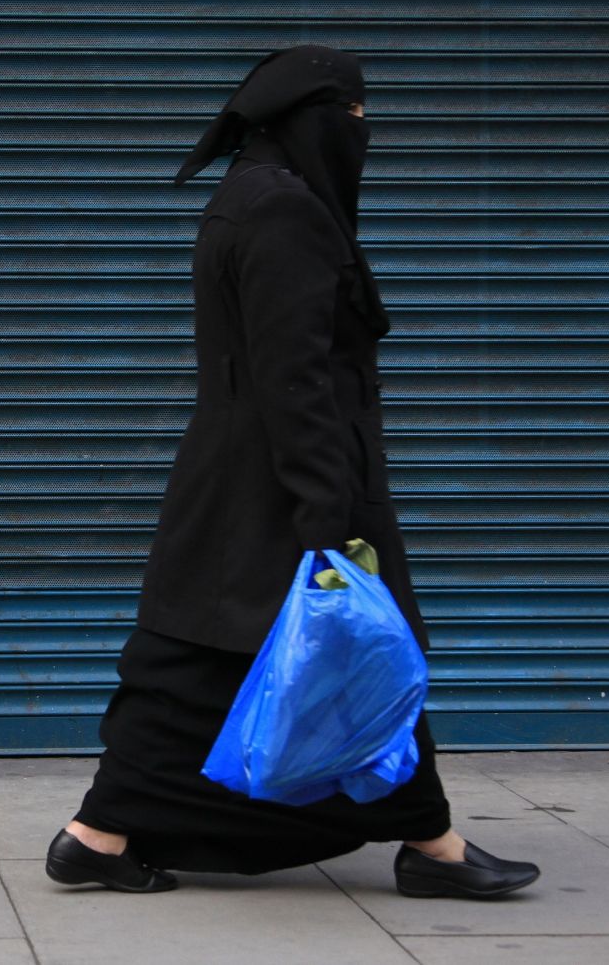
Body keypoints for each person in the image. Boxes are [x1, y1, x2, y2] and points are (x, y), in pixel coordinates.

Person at [44, 45, 540, 899]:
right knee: (367, 645)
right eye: (351, 115)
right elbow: (294, 377)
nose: (360, 131)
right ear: (311, 117)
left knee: (196, 661)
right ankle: (430, 844)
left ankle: (100, 833)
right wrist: (327, 513)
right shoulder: (286, 211)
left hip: (237, 476)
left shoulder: (247, 195)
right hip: (284, 480)